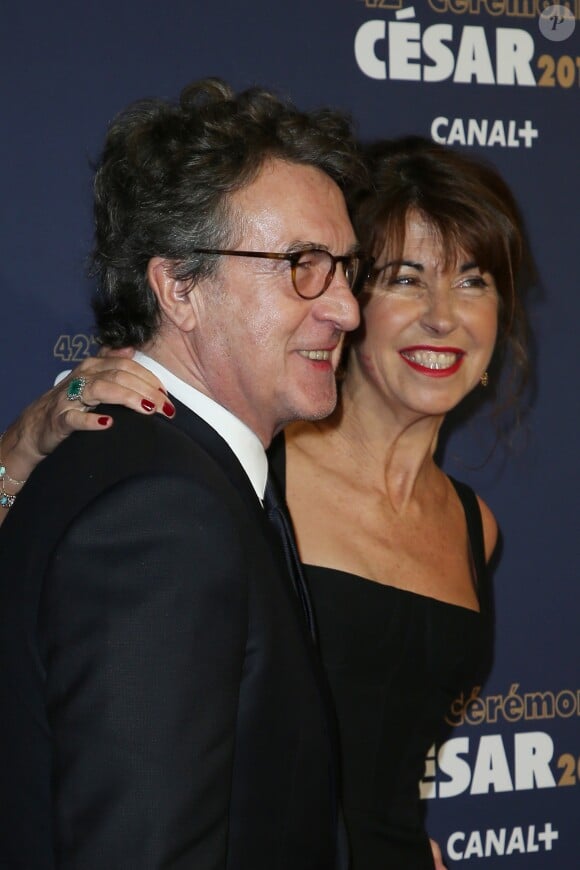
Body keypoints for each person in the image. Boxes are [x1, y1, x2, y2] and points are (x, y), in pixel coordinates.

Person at [0, 137, 529, 869]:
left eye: (474, 280)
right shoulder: (239, 475)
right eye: (405, 278)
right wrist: (20, 449)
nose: (443, 316)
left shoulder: (478, 527)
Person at [0, 78, 371, 869]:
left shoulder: (183, 468)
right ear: (178, 288)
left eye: (345, 267)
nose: (346, 308)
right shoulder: (162, 512)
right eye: (303, 265)